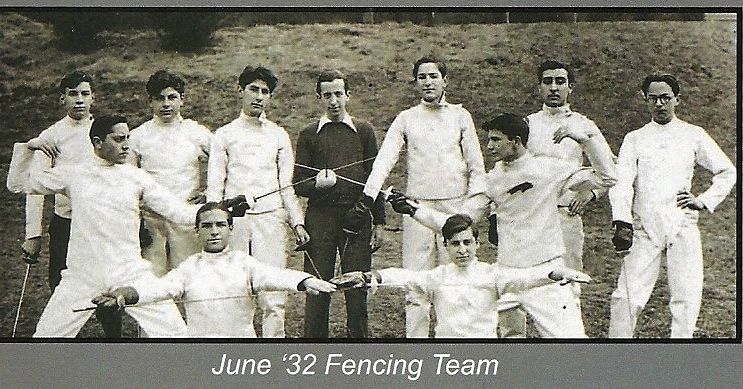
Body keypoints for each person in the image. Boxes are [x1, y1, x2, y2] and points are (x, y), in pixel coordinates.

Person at [387, 113, 617, 337]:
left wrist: (585, 140)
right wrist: (413, 209)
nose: (489, 146)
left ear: (515, 141)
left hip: (547, 273)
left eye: (495, 139)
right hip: (507, 275)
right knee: (509, 345)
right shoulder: (491, 181)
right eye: (489, 140)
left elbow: (608, 177)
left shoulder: (550, 169)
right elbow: (458, 223)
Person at [7, 115, 210, 337]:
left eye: (128, 139)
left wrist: (222, 209)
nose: (126, 146)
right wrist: (29, 147)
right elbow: (18, 184)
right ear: (97, 142)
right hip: (83, 275)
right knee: (46, 338)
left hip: (130, 271)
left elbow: (179, 213)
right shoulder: (75, 174)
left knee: (177, 334)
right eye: (118, 139)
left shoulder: (136, 178)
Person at [361, 55, 487, 338]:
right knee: (415, 283)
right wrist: (368, 198)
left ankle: (454, 340)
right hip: (416, 211)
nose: (428, 82)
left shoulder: (460, 115)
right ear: (415, 82)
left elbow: (477, 167)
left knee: (452, 278)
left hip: (453, 209)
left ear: (445, 80)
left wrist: (468, 213)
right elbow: (384, 160)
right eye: (421, 77)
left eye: (433, 76)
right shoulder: (406, 118)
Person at [607, 73, 735, 338]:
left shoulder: (693, 134)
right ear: (645, 100)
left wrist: (703, 201)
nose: (660, 104)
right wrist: (622, 221)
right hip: (645, 227)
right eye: (653, 98)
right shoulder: (635, 138)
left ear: (677, 99)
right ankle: (616, 355)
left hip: (681, 225)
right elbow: (622, 182)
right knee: (625, 297)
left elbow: (726, 171)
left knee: (686, 298)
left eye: (666, 98)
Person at [92, 202, 337, 338]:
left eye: (221, 225)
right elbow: (158, 289)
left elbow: (276, 276)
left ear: (230, 228)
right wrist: (124, 294)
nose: (214, 231)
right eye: (207, 226)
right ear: (197, 231)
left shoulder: (244, 263)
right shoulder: (188, 268)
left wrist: (305, 281)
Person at [497, 60, 615, 338]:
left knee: (566, 285)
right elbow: (509, 171)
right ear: (539, 87)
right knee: (513, 289)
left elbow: (610, 169)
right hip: (526, 218)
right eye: (547, 81)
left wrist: (591, 192)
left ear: (570, 87)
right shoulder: (526, 124)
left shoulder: (583, 125)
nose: (553, 87)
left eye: (560, 81)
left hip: (564, 216)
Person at [332, 214, 591, 338]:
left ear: (477, 244)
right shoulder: (437, 277)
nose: (463, 250)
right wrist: (370, 277)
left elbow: (524, 279)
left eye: (468, 242)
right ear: (446, 245)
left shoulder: (492, 275)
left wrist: (556, 273)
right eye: (455, 244)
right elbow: (404, 276)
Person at [206, 65, 310, 338]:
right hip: (236, 222)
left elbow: (287, 186)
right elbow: (215, 187)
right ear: (240, 91)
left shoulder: (278, 135)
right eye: (254, 89)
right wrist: (217, 222)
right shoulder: (224, 134)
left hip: (271, 220)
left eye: (265, 92)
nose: (259, 97)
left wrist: (297, 223)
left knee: (273, 294)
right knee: (237, 289)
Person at [20, 70, 122, 337]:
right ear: (62, 99)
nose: (79, 100)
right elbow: (35, 186)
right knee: (61, 283)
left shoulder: (103, 131)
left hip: (101, 222)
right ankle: (61, 338)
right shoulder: (51, 136)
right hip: (66, 221)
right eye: (73, 94)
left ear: (93, 98)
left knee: (108, 283)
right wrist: (33, 234)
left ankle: (115, 341)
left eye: (85, 94)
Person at [293, 69, 386, 338]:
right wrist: (317, 185)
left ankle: (359, 346)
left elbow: (375, 177)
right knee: (318, 286)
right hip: (320, 219)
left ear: (348, 95)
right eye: (327, 95)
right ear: (319, 98)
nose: (333, 101)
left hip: (356, 217)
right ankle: (315, 345)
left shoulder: (364, 131)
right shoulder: (309, 134)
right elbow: (299, 182)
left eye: (338, 94)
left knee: (357, 287)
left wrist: (379, 221)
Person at [128, 70, 212, 276]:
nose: (166, 104)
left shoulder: (196, 132)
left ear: (182, 100)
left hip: (186, 219)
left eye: (172, 97)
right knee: (152, 278)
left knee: (189, 276)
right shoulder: (138, 136)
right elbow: (127, 178)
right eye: (159, 98)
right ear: (150, 102)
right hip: (152, 221)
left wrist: (209, 193)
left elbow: (223, 162)